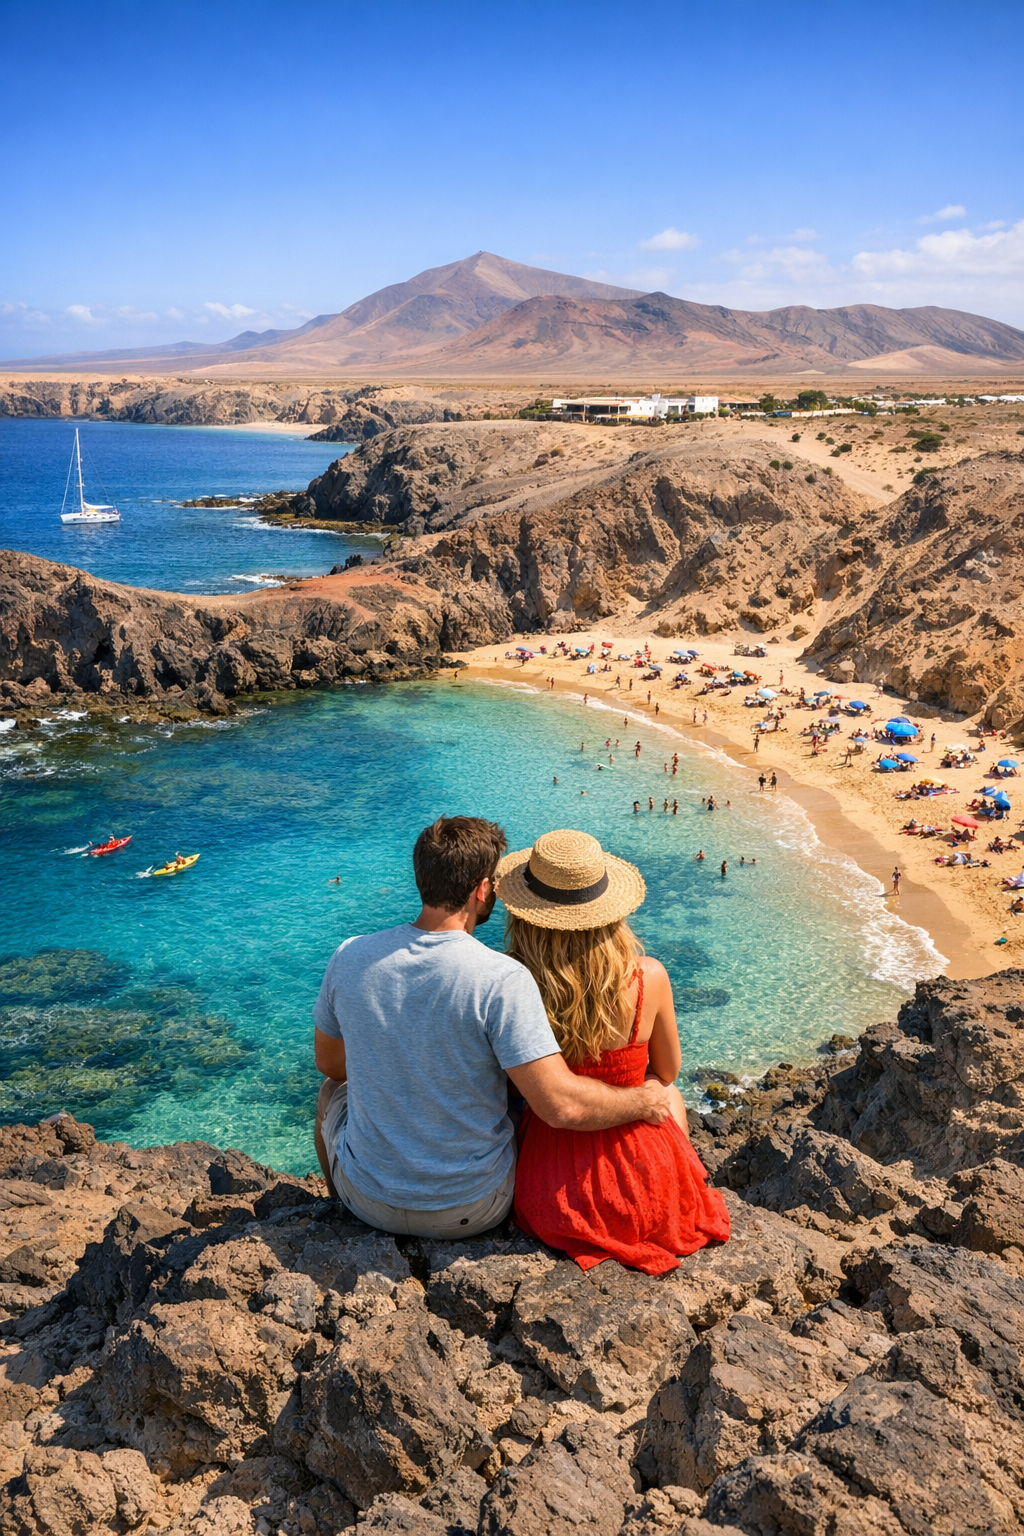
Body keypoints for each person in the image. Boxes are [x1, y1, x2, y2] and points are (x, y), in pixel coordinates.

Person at [313, 817, 672, 1239]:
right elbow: (561, 1106)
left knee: (329, 1093)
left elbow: (333, 1066)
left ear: (420, 877)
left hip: (367, 1203)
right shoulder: (500, 978)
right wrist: (644, 1103)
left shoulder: (349, 955)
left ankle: (336, 1210)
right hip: (475, 1208)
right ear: (483, 890)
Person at [496, 829, 730, 1273]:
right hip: (646, 1172)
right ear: (610, 911)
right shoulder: (650, 977)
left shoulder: (513, 980)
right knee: (671, 1093)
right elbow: (667, 1071)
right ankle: (680, 1177)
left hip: (558, 1182)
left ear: (525, 915)